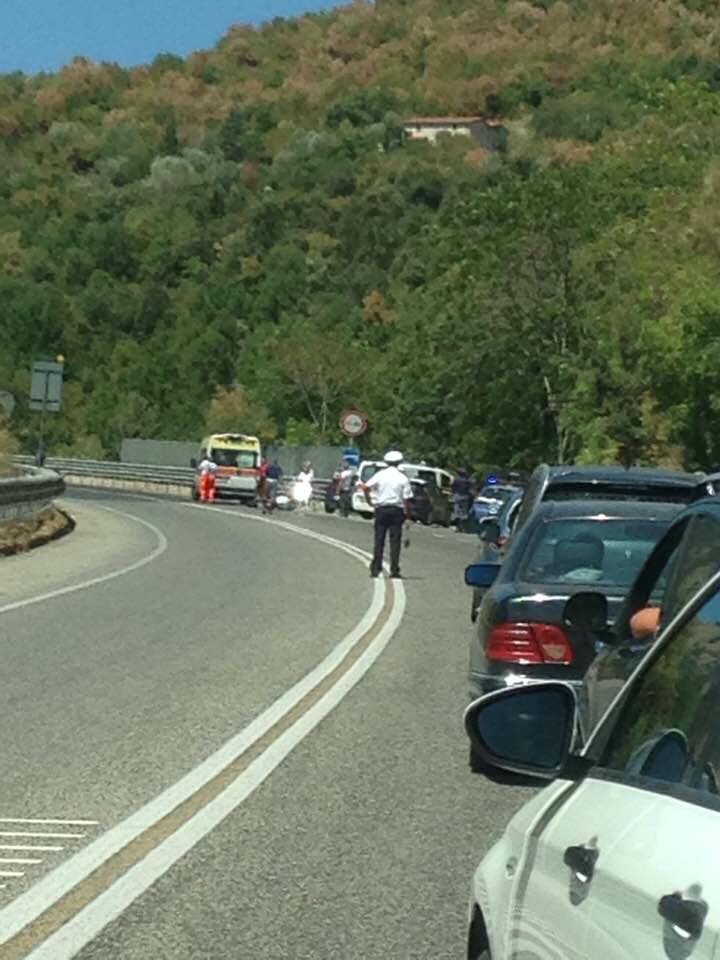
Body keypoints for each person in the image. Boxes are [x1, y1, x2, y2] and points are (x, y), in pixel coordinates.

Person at [362, 449, 413, 578]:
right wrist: (408, 516)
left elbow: (366, 487)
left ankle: (376, 568)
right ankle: (394, 569)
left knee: (379, 540)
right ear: (399, 462)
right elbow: (407, 499)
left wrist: (370, 502)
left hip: (381, 509)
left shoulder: (380, 475)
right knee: (395, 541)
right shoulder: (403, 478)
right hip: (396, 510)